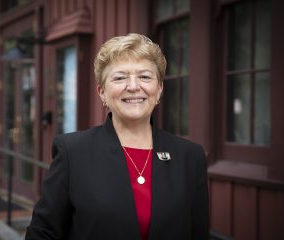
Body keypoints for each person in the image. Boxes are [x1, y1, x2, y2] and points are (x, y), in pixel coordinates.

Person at [25, 33, 209, 240]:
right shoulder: (73, 152)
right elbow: (42, 233)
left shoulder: (190, 156)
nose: (133, 86)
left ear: (159, 90)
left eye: (145, 77)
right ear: (102, 92)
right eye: (120, 77)